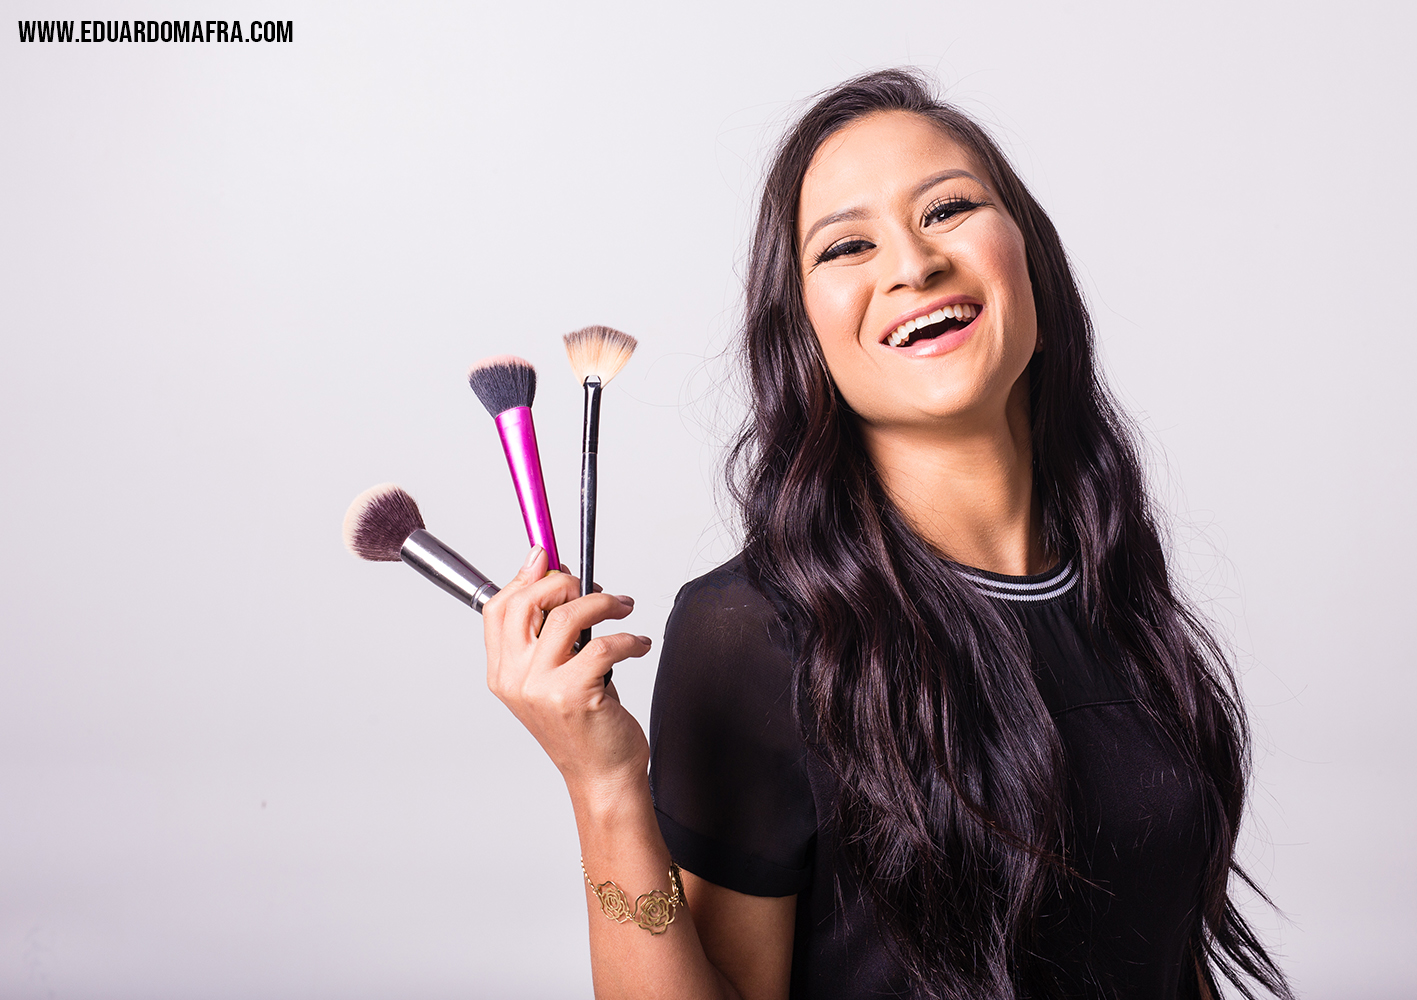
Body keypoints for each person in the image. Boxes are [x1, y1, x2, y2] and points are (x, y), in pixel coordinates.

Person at [481, 69, 1294, 1000]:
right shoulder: (754, 632)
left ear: (1028, 256)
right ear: (807, 338)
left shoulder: (1113, 584)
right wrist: (605, 787)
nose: (912, 264)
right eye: (848, 246)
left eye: (947, 208)